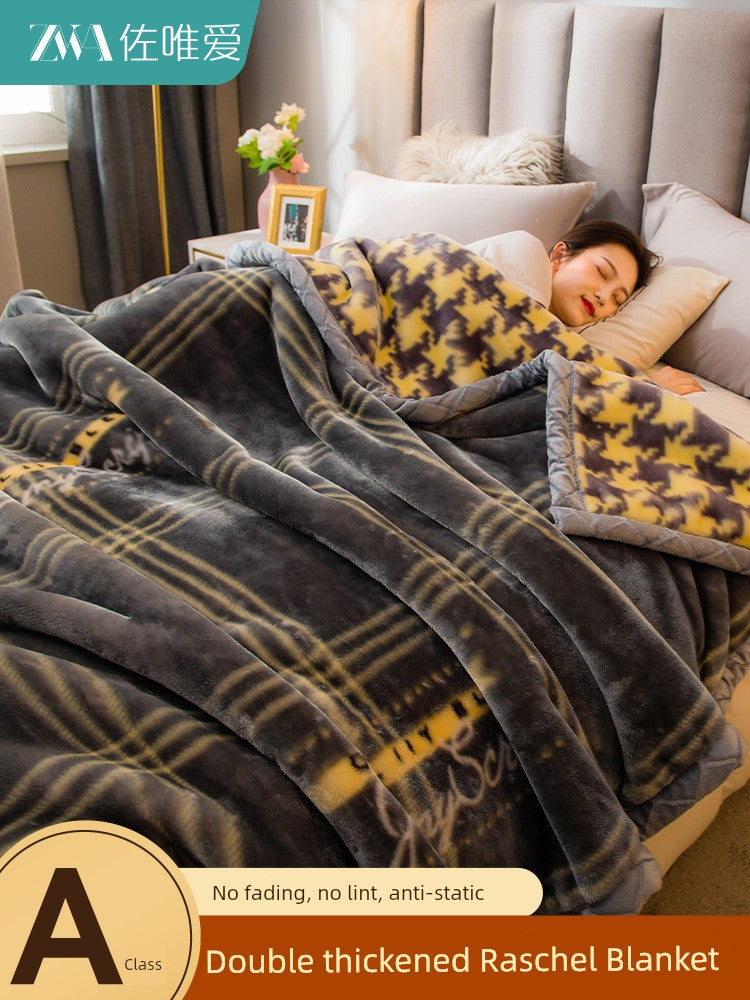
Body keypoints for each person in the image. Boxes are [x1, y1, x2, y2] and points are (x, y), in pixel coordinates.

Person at [467, 219, 703, 394]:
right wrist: (643, 387)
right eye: (602, 272)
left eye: (617, 299)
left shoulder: (564, 340)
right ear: (559, 256)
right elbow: (521, 353)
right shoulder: (524, 249)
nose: (603, 297)